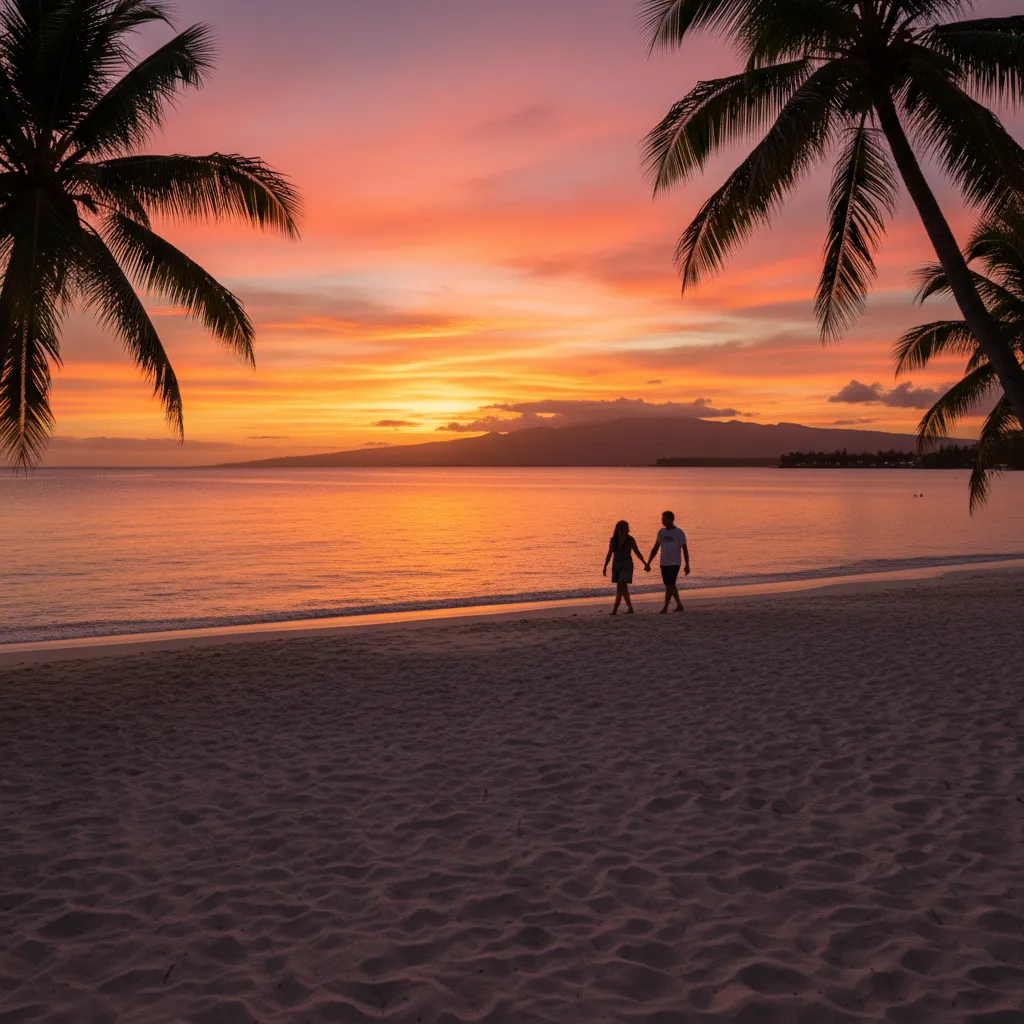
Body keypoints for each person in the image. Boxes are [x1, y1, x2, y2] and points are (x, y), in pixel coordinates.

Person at [646, 510, 690, 614]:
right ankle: (679, 605)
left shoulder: (679, 532)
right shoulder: (661, 532)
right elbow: (655, 548)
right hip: (663, 563)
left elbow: (685, 549)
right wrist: (648, 562)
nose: (662, 521)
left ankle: (665, 607)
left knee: (670, 584)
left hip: (675, 563)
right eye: (662, 519)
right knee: (669, 585)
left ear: (670, 519)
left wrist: (687, 564)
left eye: (664, 519)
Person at [603, 520, 649, 615]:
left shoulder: (630, 540)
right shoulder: (613, 540)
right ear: (619, 528)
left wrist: (645, 563)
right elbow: (609, 554)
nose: (628, 529)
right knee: (623, 588)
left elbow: (637, 552)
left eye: (627, 527)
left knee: (620, 586)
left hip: (626, 565)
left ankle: (615, 610)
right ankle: (630, 609)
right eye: (625, 527)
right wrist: (605, 566)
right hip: (616, 564)